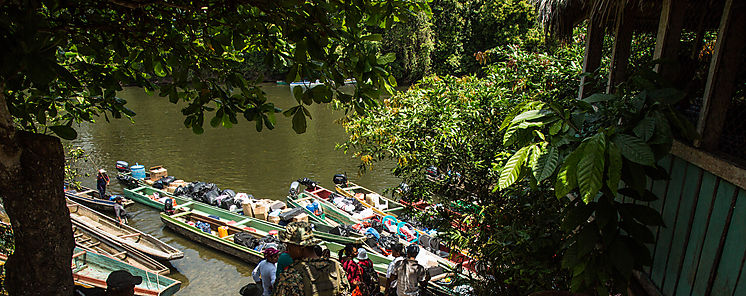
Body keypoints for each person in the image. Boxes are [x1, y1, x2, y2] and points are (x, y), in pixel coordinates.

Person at [273, 222, 350, 296]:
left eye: (289, 246)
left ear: (299, 248)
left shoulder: (290, 276)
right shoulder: (336, 267)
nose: (287, 250)